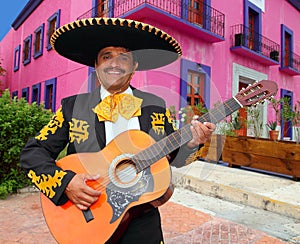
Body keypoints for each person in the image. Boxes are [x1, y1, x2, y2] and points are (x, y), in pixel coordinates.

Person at [20, 17, 215, 243]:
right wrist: (66, 183)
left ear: (134, 67)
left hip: (142, 221)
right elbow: (32, 154)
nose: (114, 63)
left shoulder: (155, 105)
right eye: (106, 56)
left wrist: (193, 142)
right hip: (89, 219)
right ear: (96, 65)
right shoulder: (72, 107)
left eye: (123, 57)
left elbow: (173, 157)